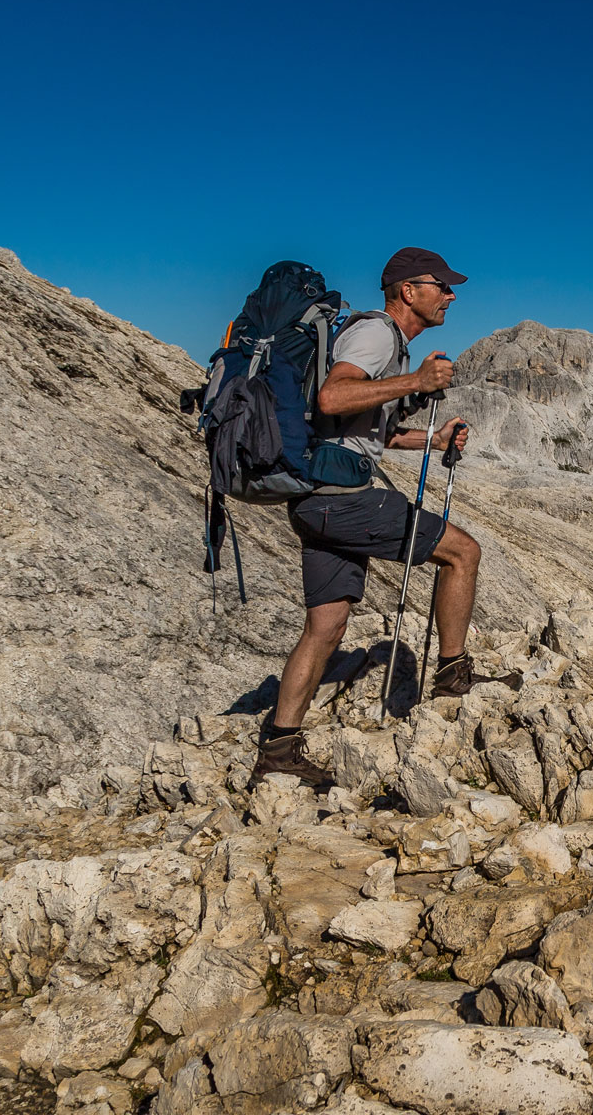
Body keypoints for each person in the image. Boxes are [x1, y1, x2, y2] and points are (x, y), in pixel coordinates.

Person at [249, 246, 487, 789]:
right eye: (441, 286)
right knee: (463, 551)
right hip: (343, 499)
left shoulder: (391, 344)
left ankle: (278, 750)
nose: (450, 295)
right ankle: (452, 679)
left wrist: (433, 438)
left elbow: (364, 431)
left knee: (327, 625)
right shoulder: (377, 334)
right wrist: (417, 384)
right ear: (409, 291)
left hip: (320, 500)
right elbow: (334, 396)